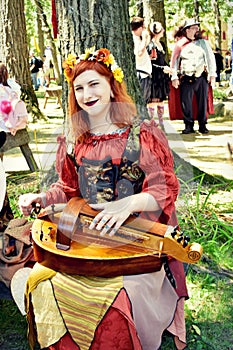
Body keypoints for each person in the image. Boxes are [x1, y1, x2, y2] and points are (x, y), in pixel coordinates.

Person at [18, 47, 188, 350]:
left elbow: (164, 190)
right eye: (79, 88)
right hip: (86, 242)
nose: (86, 93)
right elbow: (68, 189)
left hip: (134, 244)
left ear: (112, 85)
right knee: (45, 283)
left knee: (116, 302)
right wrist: (42, 196)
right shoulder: (74, 139)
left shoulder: (141, 134)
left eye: (94, 84)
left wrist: (129, 203)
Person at [170, 18, 216, 134]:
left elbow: (210, 59)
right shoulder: (179, 44)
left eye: (197, 28)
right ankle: (188, 125)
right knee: (186, 102)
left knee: (202, 102)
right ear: (187, 30)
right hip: (186, 77)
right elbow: (174, 62)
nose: (197, 30)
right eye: (194, 28)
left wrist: (212, 74)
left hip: (201, 77)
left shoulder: (204, 43)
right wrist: (174, 77)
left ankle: (202, 125)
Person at [147, 21, 173, 130]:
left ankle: (161, 125)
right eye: (161, 29)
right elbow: (151, 64)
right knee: (153, 102)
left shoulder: (161, 45)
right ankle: (152, 126)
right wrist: (163, 69)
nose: (163, 31)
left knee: (161, 101)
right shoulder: (151, 46)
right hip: (155, 78)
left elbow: (162, 61)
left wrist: (168, 68)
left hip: (162, 78)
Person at [130, 17, 152, 104]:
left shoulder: (138, 39)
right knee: (141, 100)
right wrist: (145, 39)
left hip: (145, 73)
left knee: (145, 100)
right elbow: (139, 53)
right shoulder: (134, 39)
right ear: (140, 28)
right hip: (141, 74)